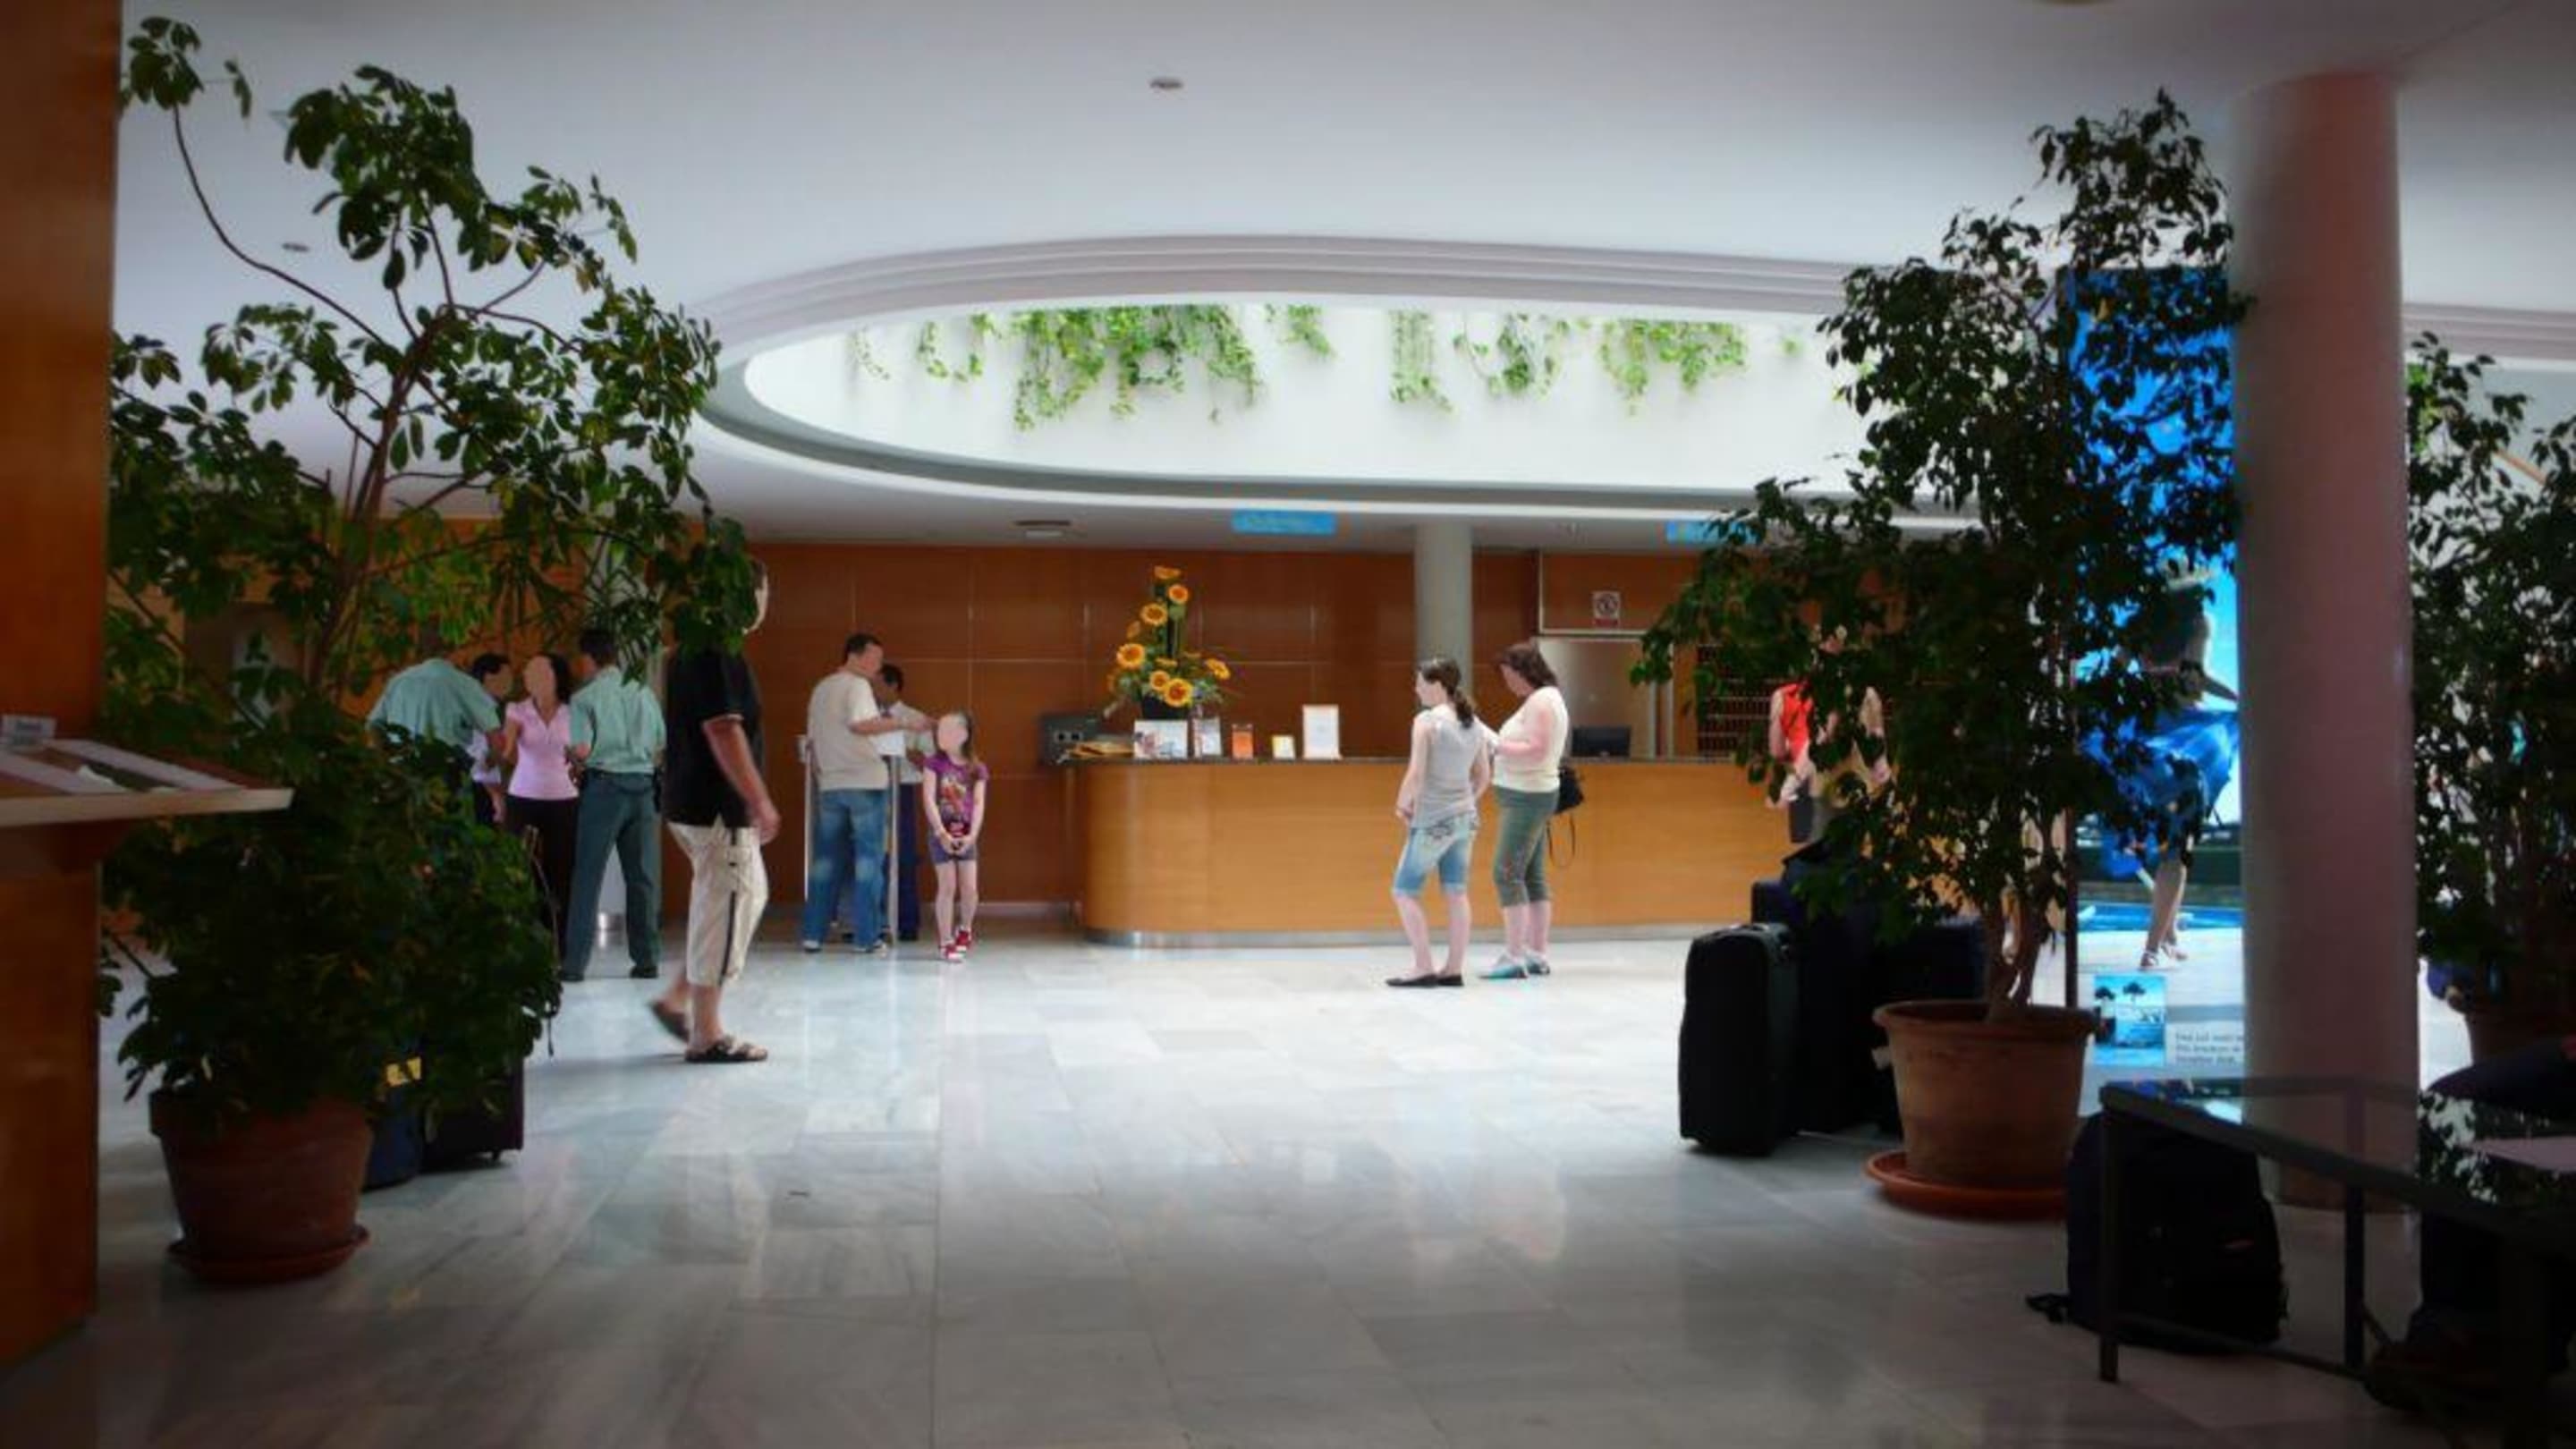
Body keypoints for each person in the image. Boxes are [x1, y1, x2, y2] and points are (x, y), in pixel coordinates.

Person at [657, 560, 776, 1064]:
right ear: (747, 595)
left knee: (736, 899)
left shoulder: (688, 648)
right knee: (727, 906)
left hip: (693, 803)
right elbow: (723, 729)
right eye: (765, 592)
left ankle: (677, 998)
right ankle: (706, 1034)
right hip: (716, 808)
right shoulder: (717, 650)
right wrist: (758, 798)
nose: (766, 603)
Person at [2115, 572, 2240, 971]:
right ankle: (2154, 947)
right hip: (2190, 742)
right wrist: (2240, 696)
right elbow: (2195, 676)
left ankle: (2166, 938)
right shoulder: (2198, 621)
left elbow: (2114, 677)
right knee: (2177, 847)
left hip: (2144, 738)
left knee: (2168, 844)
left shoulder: (2136, 626)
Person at [561, 627, 666, 983]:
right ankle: (647, 960)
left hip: (604, 789)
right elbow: (659, 742)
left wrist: (571, 755)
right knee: (642, 877)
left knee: (588, 875)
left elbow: (582, 750)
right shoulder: (643, 693)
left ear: (587, 658)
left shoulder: (585, 698)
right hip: (643, 789)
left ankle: (574, 964)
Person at [1385, 658, 1491, 988]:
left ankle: (1423, 966)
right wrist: (1465, 803)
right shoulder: (1474, 723)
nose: (1416, 689)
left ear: (1437, 685)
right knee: (1456, 891)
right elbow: (1484, 776)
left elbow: (1416, 773)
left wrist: (1402, 805)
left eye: (1420, 683)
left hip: (1432, 819)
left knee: (1404, 891)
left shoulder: (1426, 722)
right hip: (1466, 819)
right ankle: (1453, 969)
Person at [800, 632, 906, 954]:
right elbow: (862, 724)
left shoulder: (821, 688)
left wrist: (823, 777)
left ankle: (812, 934)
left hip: (830, 785)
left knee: (824, 862)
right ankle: (866, 937)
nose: (878, 666)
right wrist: (903, 723)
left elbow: (813, 742)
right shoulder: (857, 686)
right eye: (875, 658)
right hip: (865, 782)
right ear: (855, 656)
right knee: (868, 862)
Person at [1485, 641, 1568, 981]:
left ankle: (1514, 956)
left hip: (1527, 796)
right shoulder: (1546, 698)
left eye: (1509, 676)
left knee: (1506, 873)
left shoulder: (1541, 702)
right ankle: (1536, 953)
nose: (1508, 683)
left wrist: (1496, 746)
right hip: (1530, 794)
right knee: (1531, 876)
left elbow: (1537, 749)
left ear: (1525, 671)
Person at [501, 652, 581, 961]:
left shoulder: (573, 712)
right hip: (523, 797)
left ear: (555, 677)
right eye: (528, 671)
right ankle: (522, 943)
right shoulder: (517, 710)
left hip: (564, 800)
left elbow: (582, 752)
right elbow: (508, 749)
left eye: (538, 671)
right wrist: (500, 750)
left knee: (560, 873)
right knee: (521, 869)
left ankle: (557, 947)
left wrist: (579, 759)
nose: (530, 676)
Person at [367, 638, 506, 796]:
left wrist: (385, 765)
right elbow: (496, 740)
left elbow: (374, 727)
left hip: (402, 774)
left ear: (419, 651)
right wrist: (486, 768)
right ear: (452, 650)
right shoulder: (463, 683)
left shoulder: (398, 681)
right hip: (446, 777)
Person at [921, 711, 989, 964]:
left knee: (970, 889)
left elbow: (979, 802)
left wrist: (973, 835)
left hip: (967, 834)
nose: (941, 735)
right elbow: (928, 798)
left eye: (947, 730)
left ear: (963, 735)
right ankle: (945, 940)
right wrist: (940, 832)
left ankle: (966, 928)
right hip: (941, 833)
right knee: (947, 886)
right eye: (939, 730)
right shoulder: (933, 763)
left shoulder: (977, 768)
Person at [877, 663, 933, 944]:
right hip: (871, 789)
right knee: (873, 857)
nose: (872, 690)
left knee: (904, 857)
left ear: (893, 685)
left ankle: (907, 922)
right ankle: (874, 922)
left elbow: (931, 762)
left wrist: (900, 748)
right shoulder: (866, 718)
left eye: (877, 685)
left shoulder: (915, 718)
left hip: (903, 791)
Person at [462, 652, 513, 826]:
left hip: (484, 791)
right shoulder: (477, 710)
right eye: (506, 677)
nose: (511, 683)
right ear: (488, 678)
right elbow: (477, 764)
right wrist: (496, 796)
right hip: (478, 794)